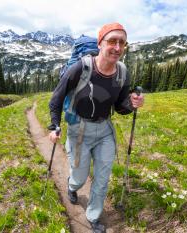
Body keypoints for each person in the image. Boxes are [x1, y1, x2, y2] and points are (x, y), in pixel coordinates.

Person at [48, 22, 144, 233]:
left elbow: (119, 107)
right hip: (78, 129)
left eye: (122, 42)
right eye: (112, 41)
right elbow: (56, 99)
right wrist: (54, 125)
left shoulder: (122, 72)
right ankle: (72, 185)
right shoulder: (80, 67)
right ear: (100, 43)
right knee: (80, 176)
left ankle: (93, 217)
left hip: (105, 131)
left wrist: (131, 104)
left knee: (102, 178)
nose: (117, 47)